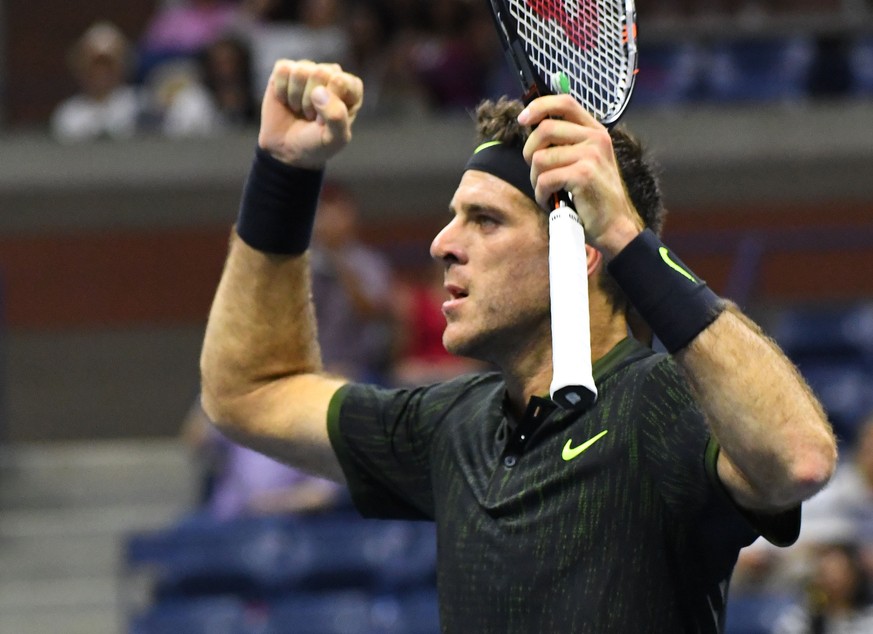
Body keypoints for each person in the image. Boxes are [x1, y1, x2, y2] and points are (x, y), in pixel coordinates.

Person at [199, 60, 837, 632]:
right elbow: (250, 393)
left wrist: (624, 230)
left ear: (580, 250)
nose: (441, 243)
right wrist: (284, 172)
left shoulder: (661, 403)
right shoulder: (451, 426)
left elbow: (799, 458)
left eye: (485, 219)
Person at [51, 22, 143, 142]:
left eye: (108, 64)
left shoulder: (140, 106)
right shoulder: (68, 115)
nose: (101, 72)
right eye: (95, 64)